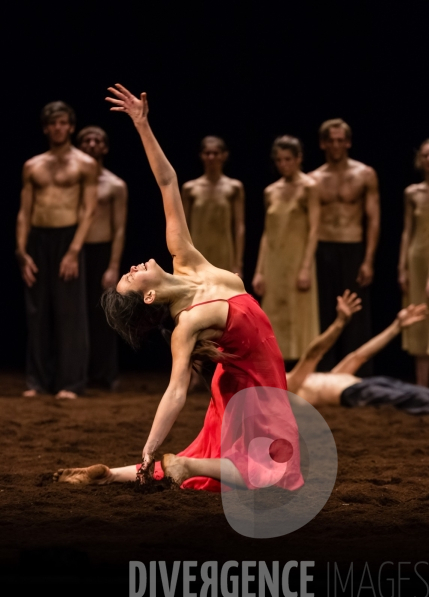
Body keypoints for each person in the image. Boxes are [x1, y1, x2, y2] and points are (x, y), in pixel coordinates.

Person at [54, 84, 303, 491]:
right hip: (253, 389)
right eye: (132, 277)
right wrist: (150, 446)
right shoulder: (187, 322)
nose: (133, 267)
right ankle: (185, 467)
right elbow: (175, 392)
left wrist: (142, 124)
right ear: (149, 296)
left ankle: (108, 475)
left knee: (222, 452)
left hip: (243, 378)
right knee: (277, 474)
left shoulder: (185, 258)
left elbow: (168, 183)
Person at [16, 101, 98, 399]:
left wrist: (74, 251)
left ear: (71, 126)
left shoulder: (84, 164)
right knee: (37, 312)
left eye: (64, 122)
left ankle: (71, 383)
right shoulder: (33, 165)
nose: (58, 128)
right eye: (53, 123)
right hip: (37, 239)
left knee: (70, 313)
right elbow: (24, 212)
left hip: (68, 239)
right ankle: (38, 381)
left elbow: (89, 211)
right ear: (46, 128)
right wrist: (21, 251)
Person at [309, 119, 380, 375]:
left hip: (353, 247)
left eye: (341, 140)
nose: (337, 145)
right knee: (325, 313)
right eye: (332, 140)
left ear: (348, 142)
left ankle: (357, 375)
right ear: (323, 143)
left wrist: (368, 259)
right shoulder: (313, 179)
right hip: (323, 249)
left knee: (356, 316)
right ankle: (324, 372)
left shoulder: (365, 174)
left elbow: (373, 218)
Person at [286, 291, 429, 413]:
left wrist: (396, 327)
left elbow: (359, 356)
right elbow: (314, 354)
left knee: (421, 394)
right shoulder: (285, 388)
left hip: (367, 385)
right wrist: (340, 322)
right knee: (419, 399)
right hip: (357, 393)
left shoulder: (320, 380)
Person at [252, 136, 320, 362]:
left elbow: (314, 230)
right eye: (279, 160)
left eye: (288, 159)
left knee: (300, 317)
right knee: (274, 318)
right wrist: (259, 271)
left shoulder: (309, 186)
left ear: (299, 159)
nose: (284, 164)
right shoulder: (271, 191)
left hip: (298, 259)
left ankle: (301, 377)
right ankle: (277, 376)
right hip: (274, 261)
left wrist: (306, 267)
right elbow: (266, 233)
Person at [77, 126, 128, 389]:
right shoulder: (73, 182)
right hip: (76, 251)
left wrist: (113, 265)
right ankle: (77, 373)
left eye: (98, 140)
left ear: (105, 148)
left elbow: (119, 228)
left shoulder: (115, 184)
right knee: (76, 314)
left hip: (103, 251)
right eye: (86, 139)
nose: (92, 143)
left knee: (104, 314)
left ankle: (105, 374)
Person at [181, 136, 245, 276]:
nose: (211, 157)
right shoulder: (190, 188)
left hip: (224, 252)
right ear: (201, 156)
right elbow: (182, 227)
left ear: (224, 156)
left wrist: (238, 263)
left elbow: (239, 226)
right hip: (197, 252)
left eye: (215, 153)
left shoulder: (234, 187)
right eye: (207, 153)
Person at [398, 139, 429, 386]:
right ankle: (422, 390)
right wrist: (402, 267)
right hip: (417, 259)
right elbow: (407, 231)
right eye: (426, 155)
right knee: (419, 319)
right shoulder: (413, 192)